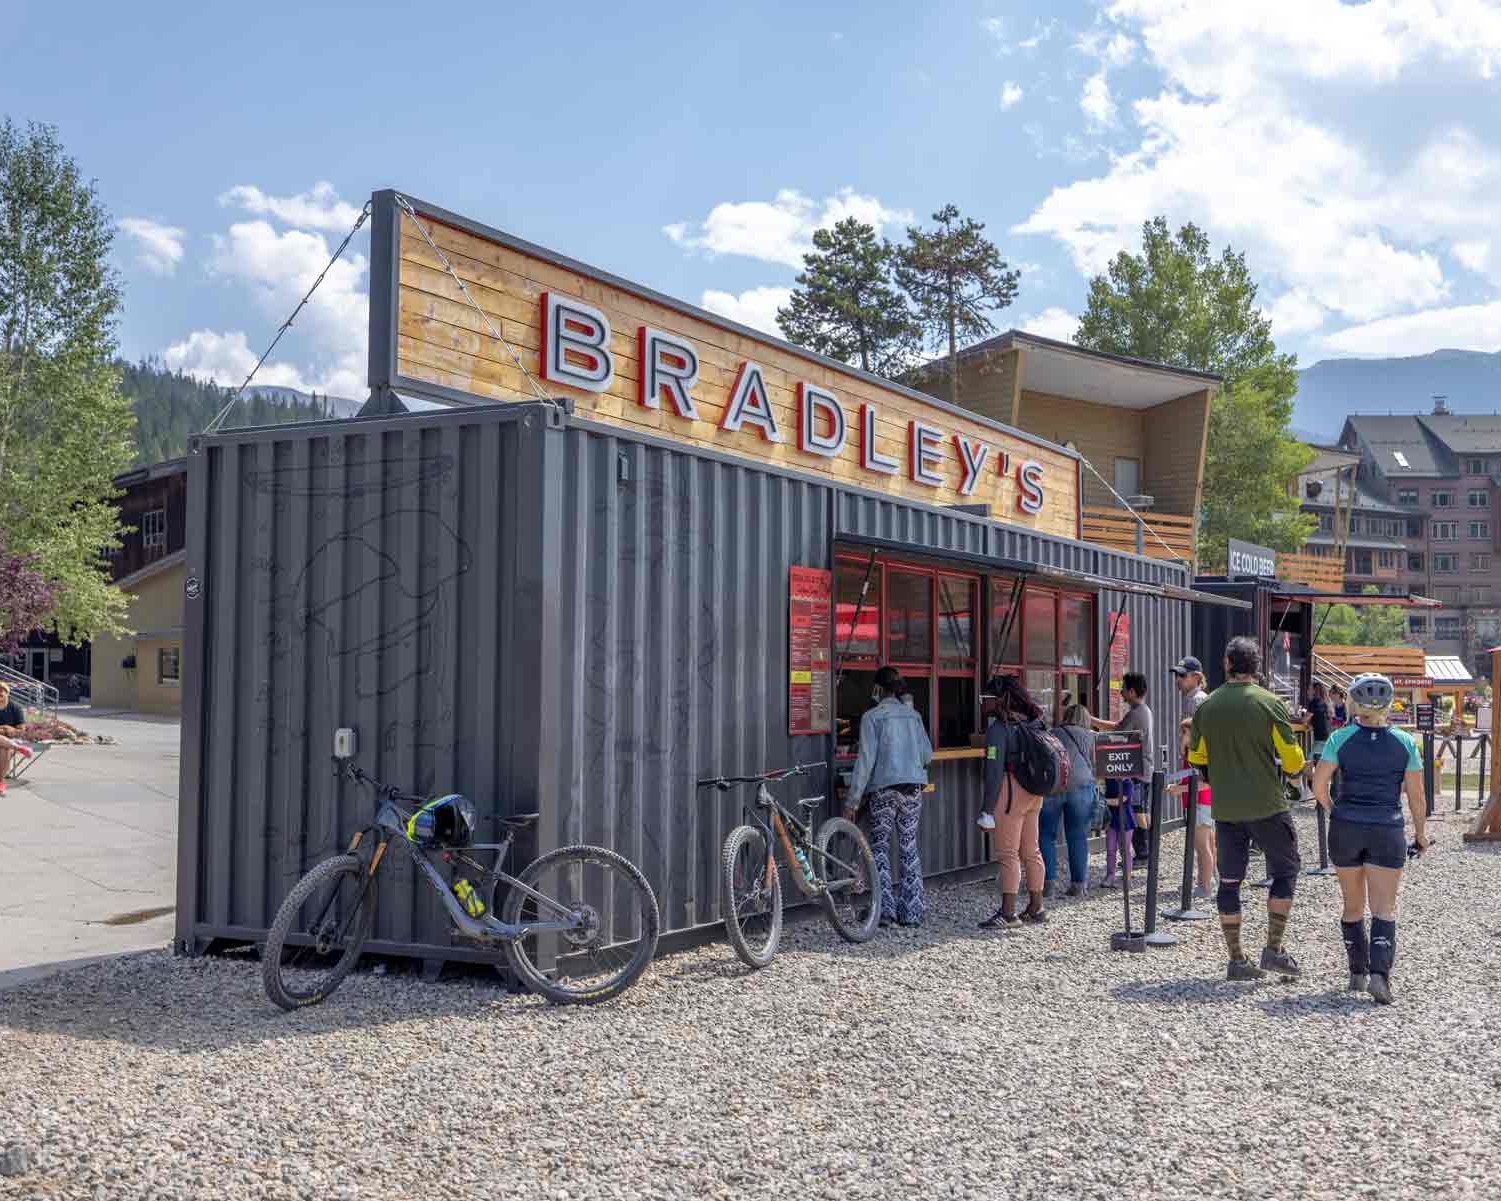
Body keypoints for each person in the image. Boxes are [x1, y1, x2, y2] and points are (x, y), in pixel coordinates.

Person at [1187, 636, 1307, 981]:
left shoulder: (1206, 708)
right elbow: (1293, 758)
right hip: (1268, 804)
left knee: (1229, 882)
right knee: (1285, 872)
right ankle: (1273, 948)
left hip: (1226, 810)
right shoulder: (1270, 703)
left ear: (1227, 664)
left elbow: (1198, 759)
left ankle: (1237, 959)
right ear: (1257, 666)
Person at [1311, 673, 1428, 1005]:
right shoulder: (1405, 743)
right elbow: (1417, 798)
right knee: (1384, 907)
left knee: (1352, 905)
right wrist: (1420, 834)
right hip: (1387, 827)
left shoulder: (1339, 739)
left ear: (1352, 703)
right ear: (1389, 705)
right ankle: (1380, 975)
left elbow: (1319, 787)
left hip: (1346, 826)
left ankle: (1356, 972)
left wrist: (1337, 809)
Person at [844, 666, 933, 928]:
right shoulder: (913, 716)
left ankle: (884, 911)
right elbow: (927, 755)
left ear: (878, 689)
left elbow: (865, 761)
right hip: (912, 789)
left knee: (879, 848)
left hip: (883, 790)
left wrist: (853, 800)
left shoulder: (872, 717)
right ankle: (913, 911)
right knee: (908, 846)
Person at [978, 675, 1048, 930]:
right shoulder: (1034, 721)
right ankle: (1036, 906)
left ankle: (1008, 913)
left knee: (1008, 854)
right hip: (1034, 792)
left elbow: (994, 771)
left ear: (999, 699)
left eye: (986, 698)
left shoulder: (999, 728)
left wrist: (986, 809)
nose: (983, 703)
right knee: (1032, 850)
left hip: (1010, 793)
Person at [1041, 702, 1096, 898]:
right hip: (1081, 787)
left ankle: (1047, 884)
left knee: (1046, 834)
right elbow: (1096, 765)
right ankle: (1078, 885)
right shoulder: (1091, 736)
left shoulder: (1053, 732)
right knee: (1078, 836)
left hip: (1054, 786)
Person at [1171, 656, 1215, 898]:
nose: (1178, 679)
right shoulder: (1195, 700)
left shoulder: (1197, 701)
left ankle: (1204, 884)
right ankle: (1208, 880)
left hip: (1199, 777)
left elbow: (1202, 741)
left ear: (1196, 677)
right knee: (1207, 836)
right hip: (1199, 776)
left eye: (1183, 675)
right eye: (1178, 675)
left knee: (1202, 840)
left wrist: (1186, 745)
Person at [0, 683, 32, 794]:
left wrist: (10, 730)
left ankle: (1, 782)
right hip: (9, 741)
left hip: (11, 740)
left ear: (7, 693)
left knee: (4, 750)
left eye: (2, 691)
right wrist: (5, 728)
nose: (0, 693)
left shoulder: (15, 707)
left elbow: (21, 730)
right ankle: (19, 748)